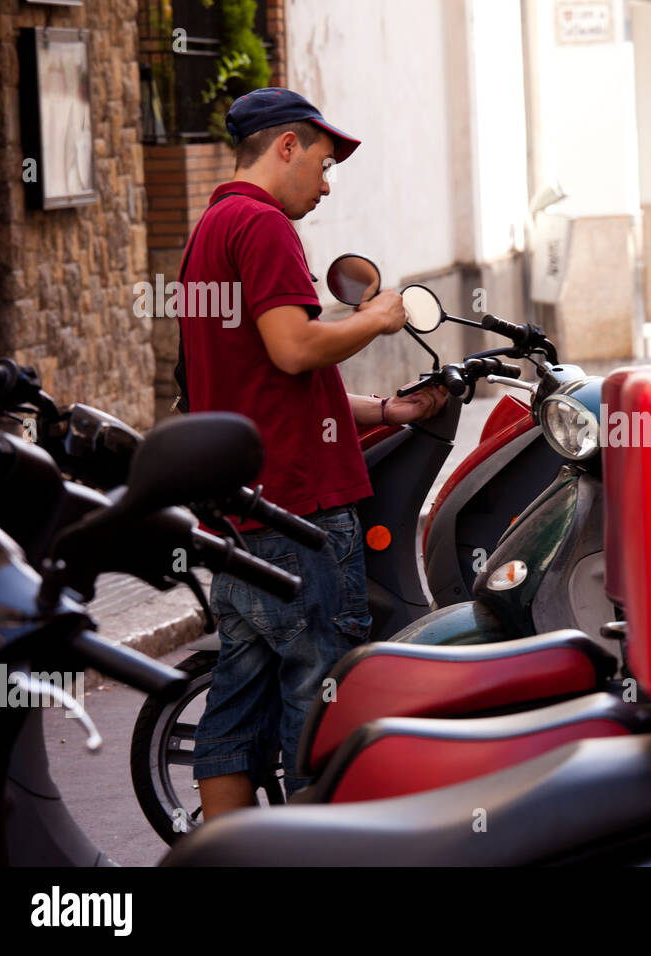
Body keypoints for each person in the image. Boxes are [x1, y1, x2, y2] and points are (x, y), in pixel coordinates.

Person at [179, 88, 448, 815]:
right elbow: (294, 348)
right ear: (286, 147)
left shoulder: (209, 230)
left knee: (233, 721)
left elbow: (263, 380)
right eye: (324, 165)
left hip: (241, 517)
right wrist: (380, 318)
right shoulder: (263, 226)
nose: (326, 186)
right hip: (298, 514)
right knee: (320, 713)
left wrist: (388, 409)